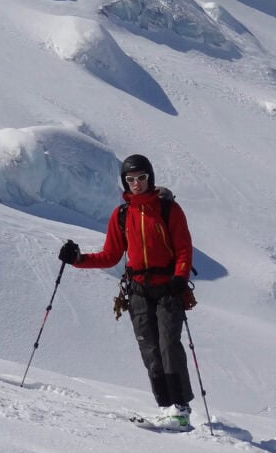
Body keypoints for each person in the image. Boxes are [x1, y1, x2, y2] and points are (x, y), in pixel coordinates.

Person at [59, 154, 195, 430]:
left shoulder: (169, 210)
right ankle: (166, 407)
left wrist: (180, 278)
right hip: (137, 291)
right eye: (130, 179)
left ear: (150, 178)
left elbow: (183, 248)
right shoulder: (122, 214)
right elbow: (110, 256)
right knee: (150, 349)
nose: (136, 183)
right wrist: (78, 259)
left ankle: (180, 409)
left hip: (168, 288)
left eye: (141, 178)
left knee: (169, 345)